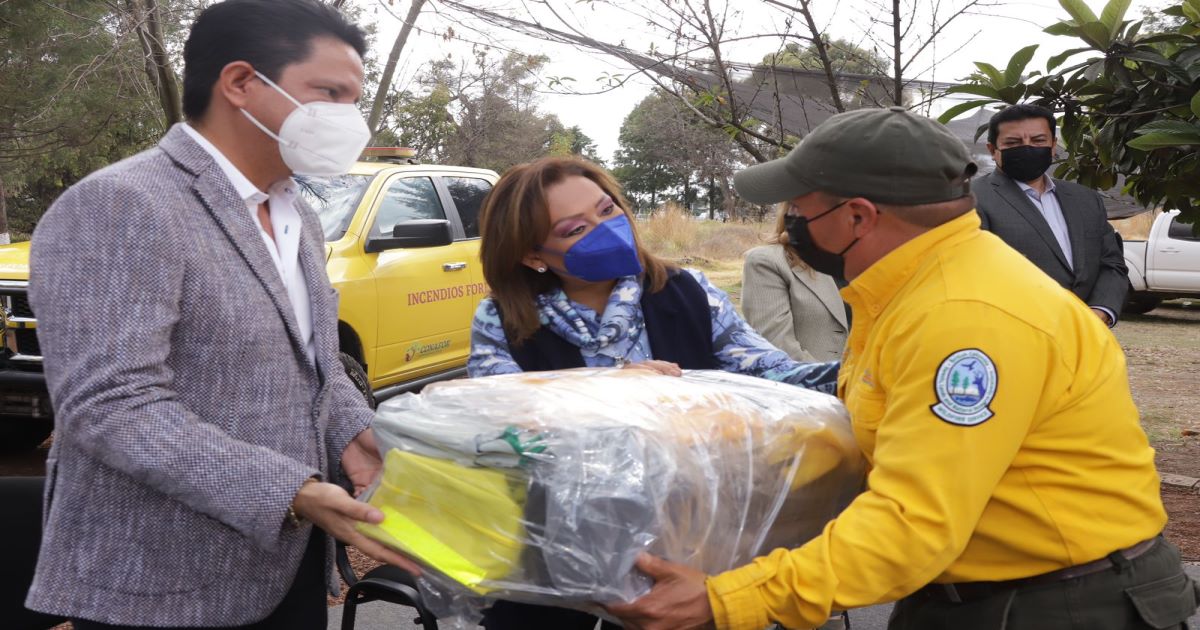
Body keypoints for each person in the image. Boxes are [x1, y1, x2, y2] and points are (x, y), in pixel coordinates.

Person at [605, 106, 1198, 630]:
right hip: (984, 594)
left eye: (801, 206)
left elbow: (910, 525)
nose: (791, 222)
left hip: (1056, 605)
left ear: (857, 216)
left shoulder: (963, 316)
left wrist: (724, 598)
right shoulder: (910, 290)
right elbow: (876, 433)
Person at [24, 2, 418, 628]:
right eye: (329, 94)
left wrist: (356, 433)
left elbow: (313, 363)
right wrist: (290, 490)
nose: (350, 120)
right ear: (240, 84)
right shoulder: (122, 204)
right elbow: (109, 404)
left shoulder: (298, 216)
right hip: (162, 581)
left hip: (285, 563)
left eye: (354, 100)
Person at [466, 156, 840, 630]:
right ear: (532, 255)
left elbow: (770, 377)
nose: (607, 228)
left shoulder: (687, 293)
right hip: (555, 555)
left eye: (607, 210)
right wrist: (609, 392)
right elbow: (494, 427)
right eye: (576, 229)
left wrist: (857, 372)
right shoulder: (503, 321)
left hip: (689, 545)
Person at [974, 103, 1128, 326]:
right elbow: (975, 275)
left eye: (1038, 141)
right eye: (1013, 143)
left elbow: (1112, 264)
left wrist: (1100, 311)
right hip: (1013, 333)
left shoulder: (1086, 199)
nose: (1027, 148)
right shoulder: (971, 199)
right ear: (992, 149)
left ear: (1053, 145)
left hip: (1087, 335)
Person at [742, 207, 849, 362]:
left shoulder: (864, 260)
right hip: (810, 383)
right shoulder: (768, 261)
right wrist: (836, 383)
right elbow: (778, 347)